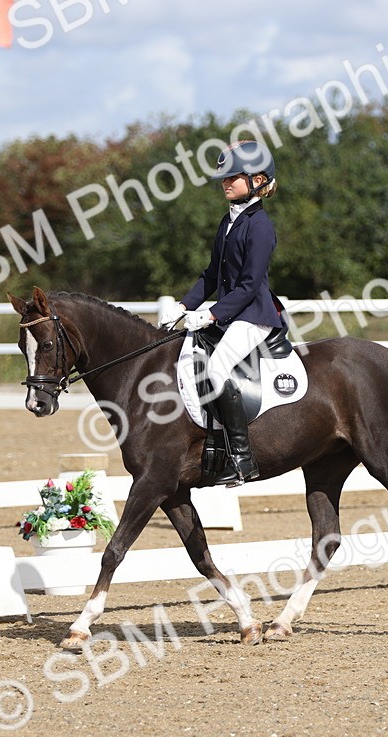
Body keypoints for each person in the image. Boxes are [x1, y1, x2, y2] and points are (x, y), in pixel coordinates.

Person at [157, 140, 285, 486]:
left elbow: (248, 284)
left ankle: (242, 458)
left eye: (234, 177)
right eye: (224, 178)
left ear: (258, 180)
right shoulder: (227, 222)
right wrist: (183, 306)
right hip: (231, 312)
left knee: (216, 367)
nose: (225, 183)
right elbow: (212, 274)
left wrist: (211, 314)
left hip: (254, 314)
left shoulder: (260, 226)